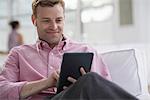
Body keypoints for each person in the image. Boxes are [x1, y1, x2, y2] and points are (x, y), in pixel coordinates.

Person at [0, 0, 137, 100]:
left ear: (64, 19)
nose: (54, 26)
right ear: (34, 20)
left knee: (89, 80)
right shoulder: (18, 54)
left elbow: (105, 90)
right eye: (46, 21)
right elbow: (2, 91)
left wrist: (81, 85)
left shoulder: (86, 50)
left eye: (58, 20)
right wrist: (48, 83)